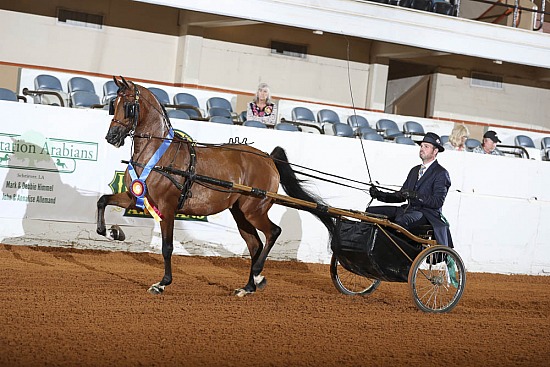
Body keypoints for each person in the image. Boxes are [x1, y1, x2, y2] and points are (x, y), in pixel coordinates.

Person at [367, 132, 453, 247]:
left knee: (401, 220)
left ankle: (399, 254)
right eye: (421, 146)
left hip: (427, 214)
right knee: (370, 212)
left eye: (426, 147)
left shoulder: (441, 173)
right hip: (408, 209)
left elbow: (437, 202)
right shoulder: (414, 170)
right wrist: (379, 195)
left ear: (435, 151)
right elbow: (400, 196)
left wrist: (416, 195)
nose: (422, 149)